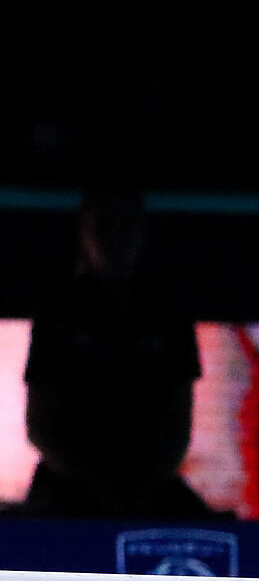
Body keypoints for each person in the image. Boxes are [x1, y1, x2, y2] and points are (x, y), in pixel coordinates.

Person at [15, 191, 212, 521]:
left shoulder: (167, 313)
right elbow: (40, 425)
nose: (115, 238)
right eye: (104, 225)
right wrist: (96, 489)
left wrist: (142, 491)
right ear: (84, 232)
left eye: (126, 226)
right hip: (68, 488)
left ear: (141, 233)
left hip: (151, 488)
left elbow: (179, 423)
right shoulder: (57, 312)